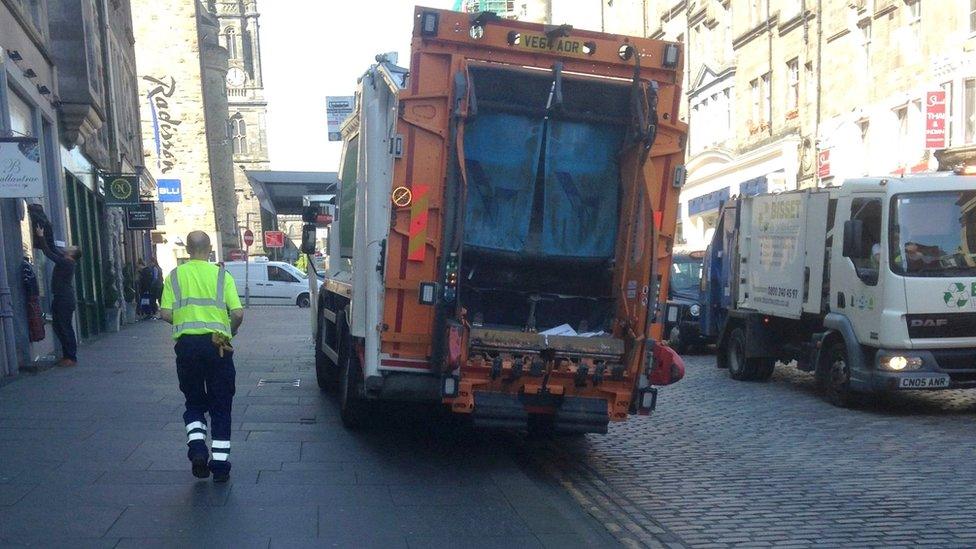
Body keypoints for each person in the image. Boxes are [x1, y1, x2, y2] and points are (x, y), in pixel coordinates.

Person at [159, 232, 244, 483]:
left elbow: (165, 313)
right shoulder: (221, 275)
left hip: (187, 346)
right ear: (208, 249)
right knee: (221, 405)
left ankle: (197, 449)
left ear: (187, 248)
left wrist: (186, 322)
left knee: (194, 403)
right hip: (218, 346)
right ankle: (220, 466)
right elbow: (237, 313)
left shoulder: (174, 276)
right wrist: (230, 330)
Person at [34, 227, 81, 367]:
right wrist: (46, 234)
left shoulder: (67, 262)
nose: (68, 247)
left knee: (64, 327)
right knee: (59, 326)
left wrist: (41, 237)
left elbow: (49, 253)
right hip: (62, 297)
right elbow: (53, 249)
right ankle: (68, 355)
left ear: (72, 254)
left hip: (64, 299)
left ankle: (71, 357)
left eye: (71, 247)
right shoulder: (65, 260)